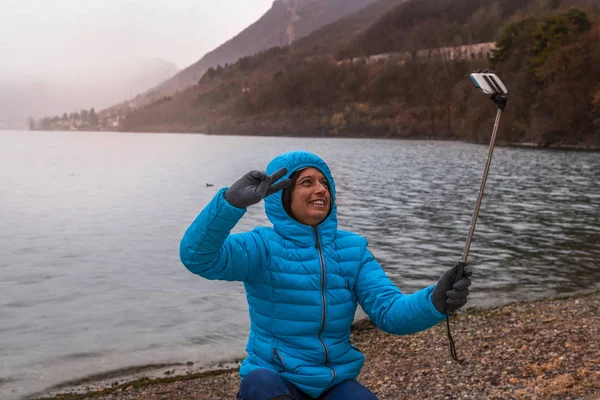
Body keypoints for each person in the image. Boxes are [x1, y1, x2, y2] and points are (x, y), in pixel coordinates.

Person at [179, 150, 472, 400]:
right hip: (276, 376)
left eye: (324, 183)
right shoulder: (261, 247)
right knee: (260, 386)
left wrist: (435, 301)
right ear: (283, 195)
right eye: (307, 182)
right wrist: (230, 203)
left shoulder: (352, 250)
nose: (321, 189)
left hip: (332, 382)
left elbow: (389, 312)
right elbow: (197, 257)